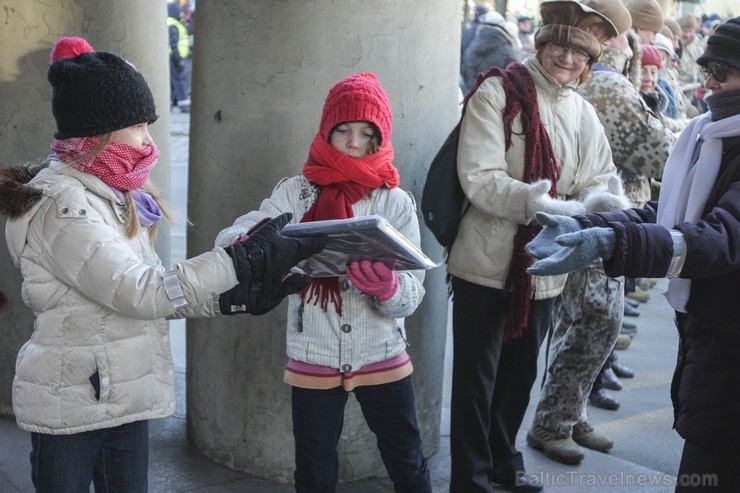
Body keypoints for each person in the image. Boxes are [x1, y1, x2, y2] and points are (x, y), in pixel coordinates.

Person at [0, 36, 324, 493]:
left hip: (124, 395)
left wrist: (230, 299)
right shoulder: (63, 206)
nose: (150, 140)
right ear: (100, 130)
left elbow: (155, 296)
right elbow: (141, 290)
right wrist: (239, 260)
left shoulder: (111, 195)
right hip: (69, 404)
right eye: (139, 126)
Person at [526, 18, 740, 493]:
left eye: (720, 71)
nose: (706, 84)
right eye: (704, 69)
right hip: (713, 340)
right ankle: (558, 419)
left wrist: (613, 241)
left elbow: (720, 237)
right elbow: (666, 212)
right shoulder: (713, 136)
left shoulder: (715, 137)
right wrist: (590, 225)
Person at [215, 72, 432, 493]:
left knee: (406, 457)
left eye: (367, 133)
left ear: (380, 137)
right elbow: (238, 233)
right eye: (343, 130)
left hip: (382, 351)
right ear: (326, 130)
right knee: (314, 470)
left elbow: (414, 289)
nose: (354, 143)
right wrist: (249, 243)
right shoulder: (296, 193)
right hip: (313, 350)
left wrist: (388, 289)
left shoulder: (395, 200)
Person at [446, 1, 621, 491]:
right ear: (542, 44)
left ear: (589, 65)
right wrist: (547, 205)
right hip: (485, 262)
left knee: (519, 378)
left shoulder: (583, 111)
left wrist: (595, 203)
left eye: (580, 54)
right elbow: (479, 179)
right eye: (560, 47)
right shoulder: (497, 92)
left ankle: (505, 462)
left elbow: (600, 178)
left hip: (544, 268)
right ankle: (472, 478)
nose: (568, 59)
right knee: (476, 384)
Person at [460, 10, 521, 93]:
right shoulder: (508, 51)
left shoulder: (471, 46)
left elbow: (465, 73)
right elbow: (517, 81)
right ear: (502, 27)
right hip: (496, 102)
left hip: (471, 98)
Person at [167, 1, 191, 113]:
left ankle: (170, 104)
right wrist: (178, 60)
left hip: (172, 57)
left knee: (172, 81)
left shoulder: (170, 22)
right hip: (175, 57)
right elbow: (173, 43)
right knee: (180, 80)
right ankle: (184, 105)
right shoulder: (174, 23)